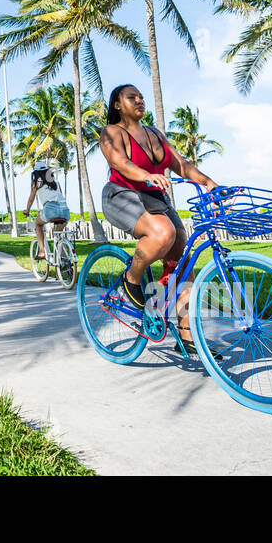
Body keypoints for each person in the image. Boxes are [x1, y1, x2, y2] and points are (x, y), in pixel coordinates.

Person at [98, 83, 216, 357]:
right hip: (121, 194)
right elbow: (120, 163)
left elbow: (181, 165)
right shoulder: (112, 132)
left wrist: (209, 182)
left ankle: (187, 336)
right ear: (117, 104)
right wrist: (146, 174)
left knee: (183, 262)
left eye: (141, 97)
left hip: (154, 197)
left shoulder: (154, 134)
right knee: (163, 233)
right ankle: (131, 277)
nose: (139, 100)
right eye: (131, 97)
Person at [26, 163, 71, 261]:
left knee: (38, 225)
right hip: (65, 210)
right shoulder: (56, 182)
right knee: (57, 234)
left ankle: (42, 252)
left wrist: (27, 210)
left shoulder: (37, 182)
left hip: (50, 210)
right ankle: (65, 260)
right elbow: (61, 196)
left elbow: (31, 199)